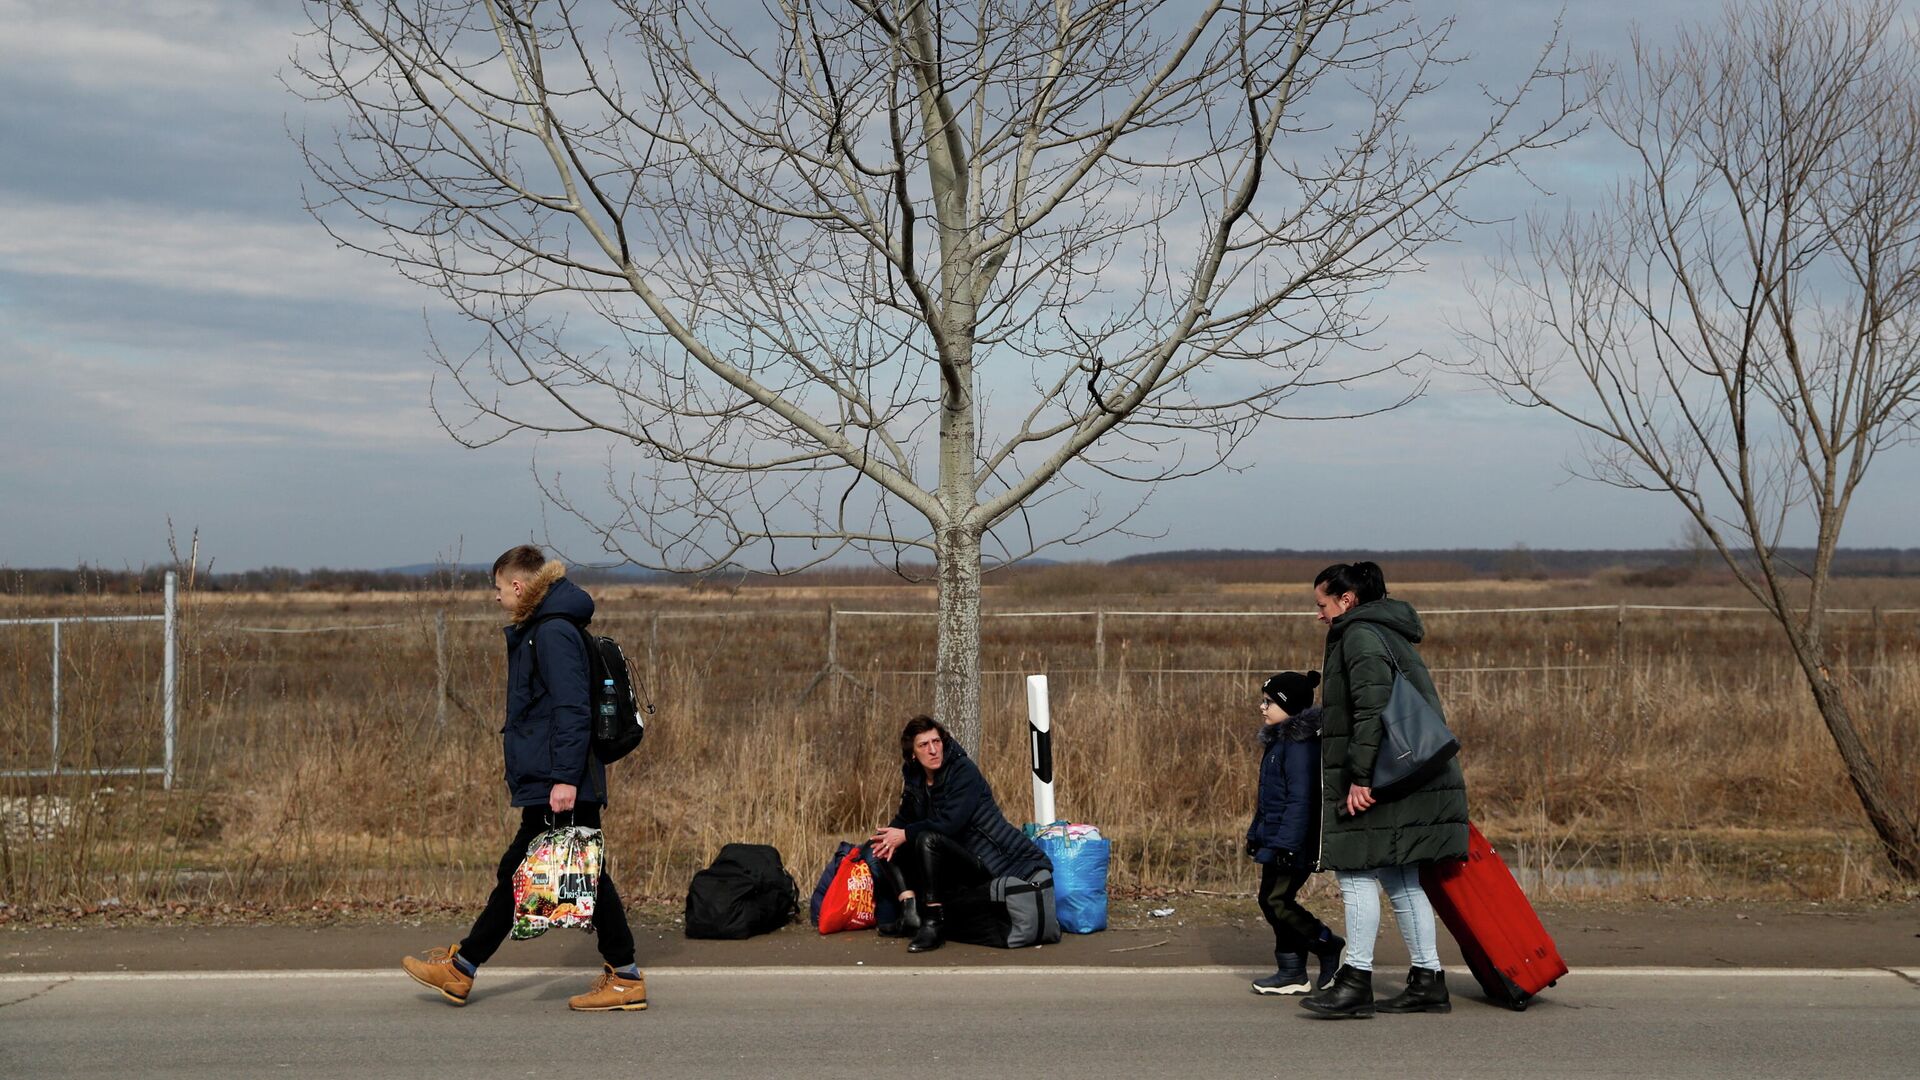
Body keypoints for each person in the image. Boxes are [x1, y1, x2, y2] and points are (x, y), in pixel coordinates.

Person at [402, 545, 646, 1012]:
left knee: (570, 876)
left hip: (562, 781)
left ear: (518, 586)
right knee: (534, 872)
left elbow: (571, 708)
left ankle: (624, 977)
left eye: (497, 589)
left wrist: (564, 778)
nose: (496, 598)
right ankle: (464, 968)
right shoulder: (545, 628)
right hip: (553, 777)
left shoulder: (551, 631)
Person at [1300, 561, 1468, 1019]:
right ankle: (1428, 981)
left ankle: (1355, 982)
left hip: (1380, 776)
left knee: (1356, 871)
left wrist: (1360, 777)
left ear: (1347, 600)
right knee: (1399, 876)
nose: (1319, 615)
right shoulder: (1385, 629)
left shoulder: (1357, 635)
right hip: (1412, 775)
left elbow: (1371, 710)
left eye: (1322, 604)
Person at [867, 715, 1051, 953]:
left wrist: (904, 834)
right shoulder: (915, 776)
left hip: (991, 862)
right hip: (959, 857)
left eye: (936, 741)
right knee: (885, 842)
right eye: (924, 745)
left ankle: (934, 923)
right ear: (913, 754)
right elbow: (904, 819)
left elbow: (950, 823)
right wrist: (885, 838)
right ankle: (909, 912)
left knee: (925, 838)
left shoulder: (963, 771)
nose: (933, 750)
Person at [1246, 670, 1344, 996]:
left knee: (1275, 900)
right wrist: (1255, 834)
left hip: (1293, 842)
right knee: (1275, 900)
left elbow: (1301, 800)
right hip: (1276, 839)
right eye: (1263, 700)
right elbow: (1269, 799)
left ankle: (1326, 944)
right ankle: (1291, 971)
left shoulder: (1300, 746)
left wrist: (1287, 845)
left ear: (1289, 706)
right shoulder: (1279, 743)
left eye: (1269, 702)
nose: (1262, 707)